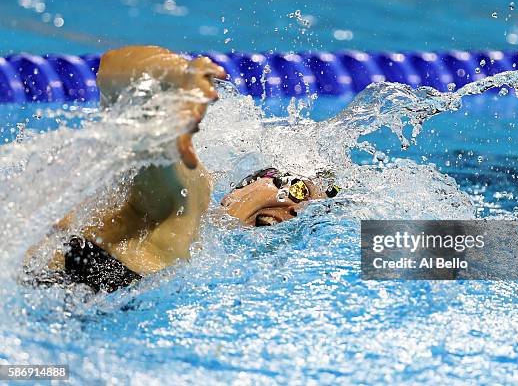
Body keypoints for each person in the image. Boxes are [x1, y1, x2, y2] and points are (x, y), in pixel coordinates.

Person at [24, 45, 339, 293]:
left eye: (313, 211)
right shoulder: (188, 195)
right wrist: (171, 73)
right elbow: (111, 73)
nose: (297, 210)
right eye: (299, 190)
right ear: (253, 181)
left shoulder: (212, 262)